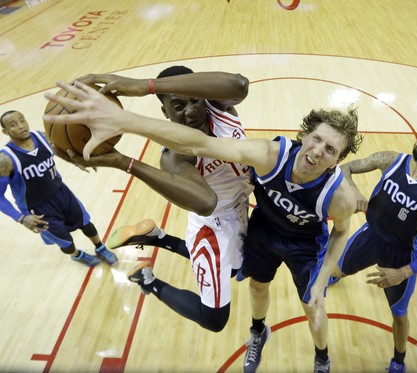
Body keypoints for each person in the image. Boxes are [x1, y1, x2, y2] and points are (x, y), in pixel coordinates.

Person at [43, 80, 363, 373]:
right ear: (304, 135)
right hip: (263, 229)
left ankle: (322, 358)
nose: (318, 151)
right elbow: (199, 144)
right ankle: (257, 331)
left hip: (304, 244)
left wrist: (322, 280)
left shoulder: (340, 196)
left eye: (330, 150)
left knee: (313, 303)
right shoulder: (269, 154)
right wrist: (126, 121)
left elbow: (340, 232)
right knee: (255, 285)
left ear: (337, 160)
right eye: (317, 139)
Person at [58, 67, 254, 333]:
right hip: (213, 229)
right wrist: (122, 161)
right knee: (214, 320)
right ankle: (149, 282)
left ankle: (157, 238)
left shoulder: (219, 108)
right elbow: (206, 202)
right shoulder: (174, 155)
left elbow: (239, 84)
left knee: (233, 271)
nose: (191, 111)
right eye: (178, 105)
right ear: (166, 114)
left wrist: (145, 85)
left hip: (240, 210)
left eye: (194, 99)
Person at [331, 126, 417, 373]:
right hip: (369, 236)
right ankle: (336, 276)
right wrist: (354, 191)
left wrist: (404, 272)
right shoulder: (391, 160)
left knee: (399, 315)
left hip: (400, 256)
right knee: (335, 270)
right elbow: (344, 167)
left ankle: (398, 359)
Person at [0, 110, 118, 267]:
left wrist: (76, 161)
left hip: (62, 193)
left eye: (22, 120)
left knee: (86, 223)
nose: (21, 126)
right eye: (13, 125)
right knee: (65, 241)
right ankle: (77, 255)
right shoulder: (5, 160)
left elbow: (56, 152)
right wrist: (21, 218)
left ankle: (100, 247)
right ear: (5, 131)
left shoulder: (42, 136)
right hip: (38, 209)